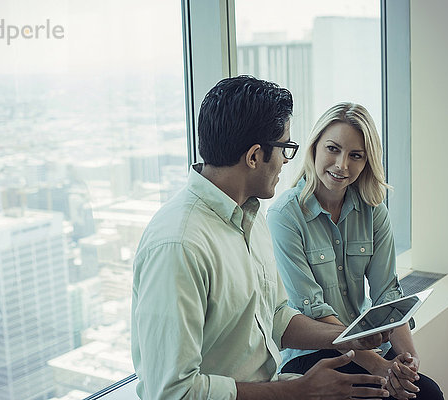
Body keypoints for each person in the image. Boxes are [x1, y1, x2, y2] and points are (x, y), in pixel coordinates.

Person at [131, 77, 391, 399]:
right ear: (254, 156)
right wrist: (298, 391)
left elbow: (277, 316)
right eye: (285, 148)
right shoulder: (179, 245)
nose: (286, 161)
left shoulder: (251, 219)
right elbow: (173, 392)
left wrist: (345, 337)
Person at [266, 102, 444, 399]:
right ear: (314, 148)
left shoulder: (373, 212)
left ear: (366, 161)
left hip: (371, 350)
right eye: (333, 149)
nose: (341, 165)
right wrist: (378, 366)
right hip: (313, 356)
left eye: (355, 156)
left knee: (427, 393)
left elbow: (388, 293)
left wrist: (408, 362)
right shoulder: (284, 216)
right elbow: (313, 310)